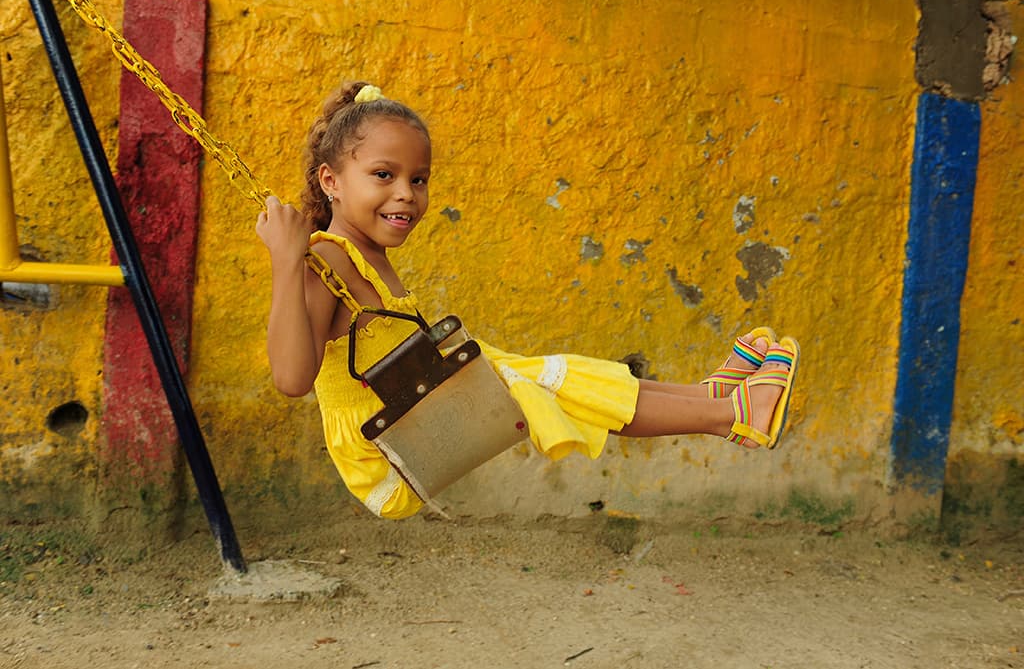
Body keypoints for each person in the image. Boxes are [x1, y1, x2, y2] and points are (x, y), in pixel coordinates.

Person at [256, 80, 799, 520]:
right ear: (331, 180)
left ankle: (706, 398)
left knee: (557, 374)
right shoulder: (323, 260)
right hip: (385, 456)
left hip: (414, 415)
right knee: (557, 385)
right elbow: (291, 380)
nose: (406, 193)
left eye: (418, 179)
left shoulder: (365, 249)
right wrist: (286, 260)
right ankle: (728, 414)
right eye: (384, 175)